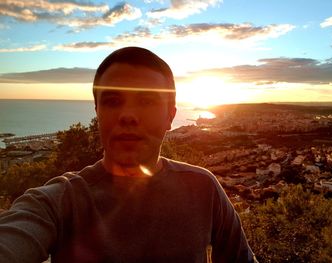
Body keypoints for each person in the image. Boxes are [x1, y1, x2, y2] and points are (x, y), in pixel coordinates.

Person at [0, 47, 257, 263]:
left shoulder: (203, 188)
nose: (128, 115)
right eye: (112, 101)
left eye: (146, 101)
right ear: (97, 112)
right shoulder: (60, 201)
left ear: (170, 116)